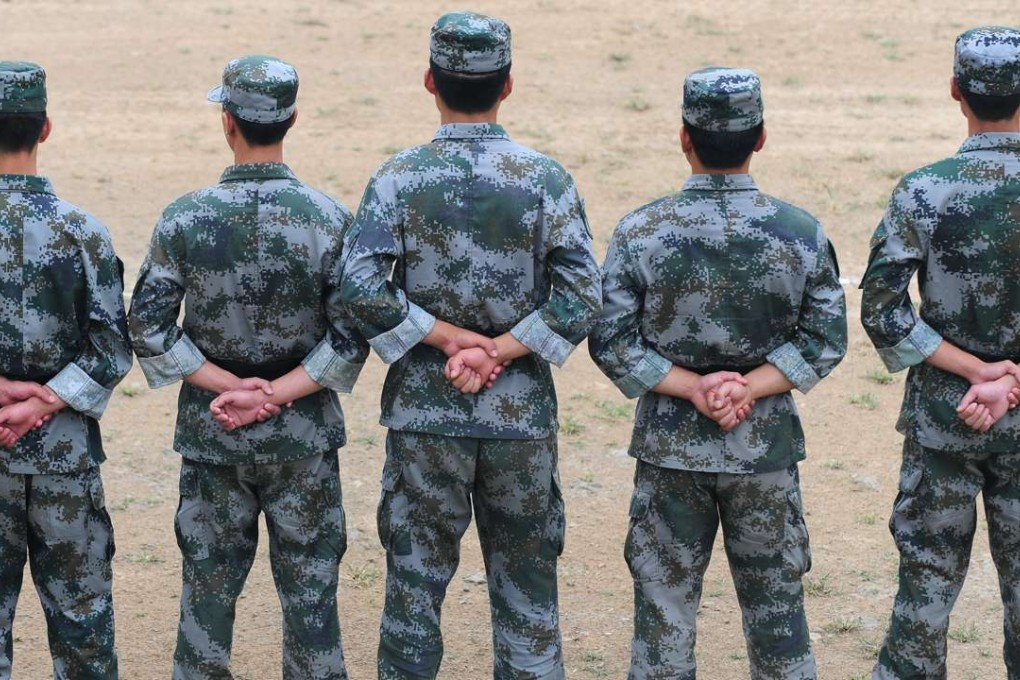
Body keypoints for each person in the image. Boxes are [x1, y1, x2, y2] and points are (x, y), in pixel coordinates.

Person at [340, 11, 602, 679]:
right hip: (520, 420)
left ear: (430, 81)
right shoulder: (545, 180)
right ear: (507, 85)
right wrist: (500, 349)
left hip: (425, 416)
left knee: (413, 593)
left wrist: (447, 338)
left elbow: (360, 288)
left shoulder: (398, 177)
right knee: (528, 596)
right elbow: (582, 296)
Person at [590, 67, 847, 680]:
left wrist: (692, 387)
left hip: (670, 451)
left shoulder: (641, 231)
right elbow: (826, 340)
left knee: (665, 616)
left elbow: (611, 340)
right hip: (765, 451)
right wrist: (748, 386)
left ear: (685, 137)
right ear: (760, 138)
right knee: (778, 618)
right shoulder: (801, 233)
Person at [128, 55, 367, 680]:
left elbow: (147, 326)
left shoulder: (184, 216)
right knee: (312, 598)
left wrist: (229, 386)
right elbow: (351, 336)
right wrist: (276, 393)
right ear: (292, 119)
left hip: (214, 430)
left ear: (227, 122)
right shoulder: (330, 219)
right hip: (304, 434)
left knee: (206, 597)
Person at [860, 26, 1020, 680]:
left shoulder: (923, 191)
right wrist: (1010, 382)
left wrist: (976, 371)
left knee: (924, 596)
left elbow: (882, 311)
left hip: (943, 420)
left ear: (957, 91)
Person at [0, 61, 132, 679]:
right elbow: (112, 349)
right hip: (66, 459)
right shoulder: (85, 233)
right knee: (83, 634)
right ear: (45, 127)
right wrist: (44, 400)